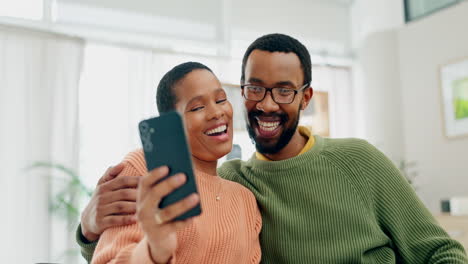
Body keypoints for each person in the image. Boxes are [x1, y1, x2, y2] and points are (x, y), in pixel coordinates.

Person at [77, 34, 468, 263]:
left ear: (306, 97)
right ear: (243, 91)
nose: (267, 104)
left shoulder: (359, 161)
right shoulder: (233, 181)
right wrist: (88, 228)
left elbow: (439, 253)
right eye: (255, 88)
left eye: (284, 90)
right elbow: (140, 242)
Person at [87, 62, 261, 264]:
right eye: (197, 107)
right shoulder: (146, 170)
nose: (216, 112)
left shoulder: (245, 200)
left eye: (221, 100)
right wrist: (154, 251)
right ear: (172, 123)